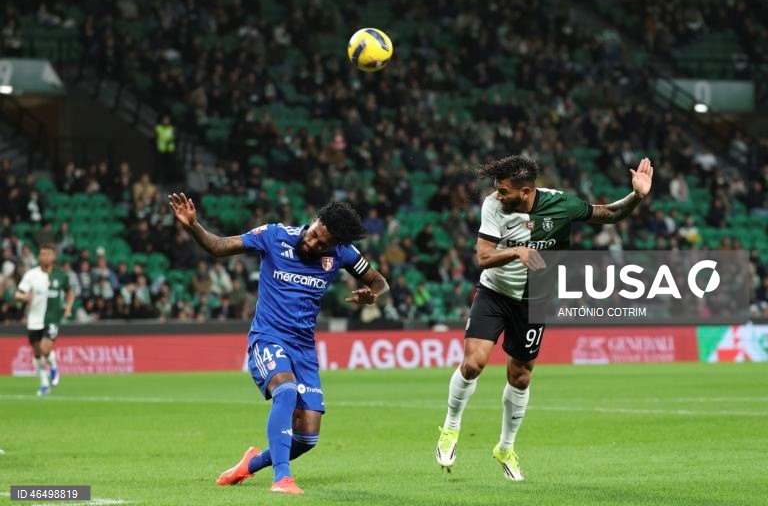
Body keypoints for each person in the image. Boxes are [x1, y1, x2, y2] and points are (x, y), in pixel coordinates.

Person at [435, 155, 653, 481]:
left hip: (534, 301)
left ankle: (505, 448)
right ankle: (451, 427)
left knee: (520, 376)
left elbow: (608, 214)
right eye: (497, 189)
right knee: (473, 364)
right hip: (494, 293)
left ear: (525, 191)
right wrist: (516, 251)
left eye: (505, 190)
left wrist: (636, 196)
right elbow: (482, 256)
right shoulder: (493, 206)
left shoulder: (561, 205)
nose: (498, 195)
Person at [168, 192, 389, 494]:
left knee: (307, 438)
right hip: (268, 337)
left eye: (322, 243)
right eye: (314, 234)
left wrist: (373, 295)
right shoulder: (273, 236)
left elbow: (379, 282)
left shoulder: (344, 254)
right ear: (314, 221)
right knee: (285, 390)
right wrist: (194, 226)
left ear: (335, 245)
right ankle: (282, 480)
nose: (313, 243)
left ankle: (249, 464)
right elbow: (219, 246)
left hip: (303, 349)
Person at [14, 243, 74, 396]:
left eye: (48, 254)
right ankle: (44, 383)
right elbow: (17, 294)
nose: (45, 257)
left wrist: (68, 307)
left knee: (45, 349)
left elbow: (70, 292)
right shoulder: (31, 275)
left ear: (54, 257)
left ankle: (53, 365)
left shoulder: (60, 275)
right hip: (34, 319)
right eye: (42, 254)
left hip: (52, 318)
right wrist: (24, 297)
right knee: (37, 354)